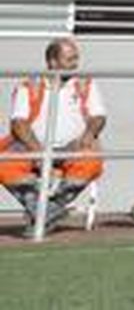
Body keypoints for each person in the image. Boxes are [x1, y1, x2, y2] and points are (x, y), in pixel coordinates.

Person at [0, 38, 106, 235]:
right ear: (52, 62)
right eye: (69, 59)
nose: (75, 64)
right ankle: (46, 211)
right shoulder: (29, 85)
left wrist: (89, 133)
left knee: (91, 161)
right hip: (32, 147)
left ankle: (46, 212)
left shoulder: (85, 84)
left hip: (73, 146)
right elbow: (19, 123)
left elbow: (98, 116)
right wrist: (38, 151)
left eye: (76, 58)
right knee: (3, 162)